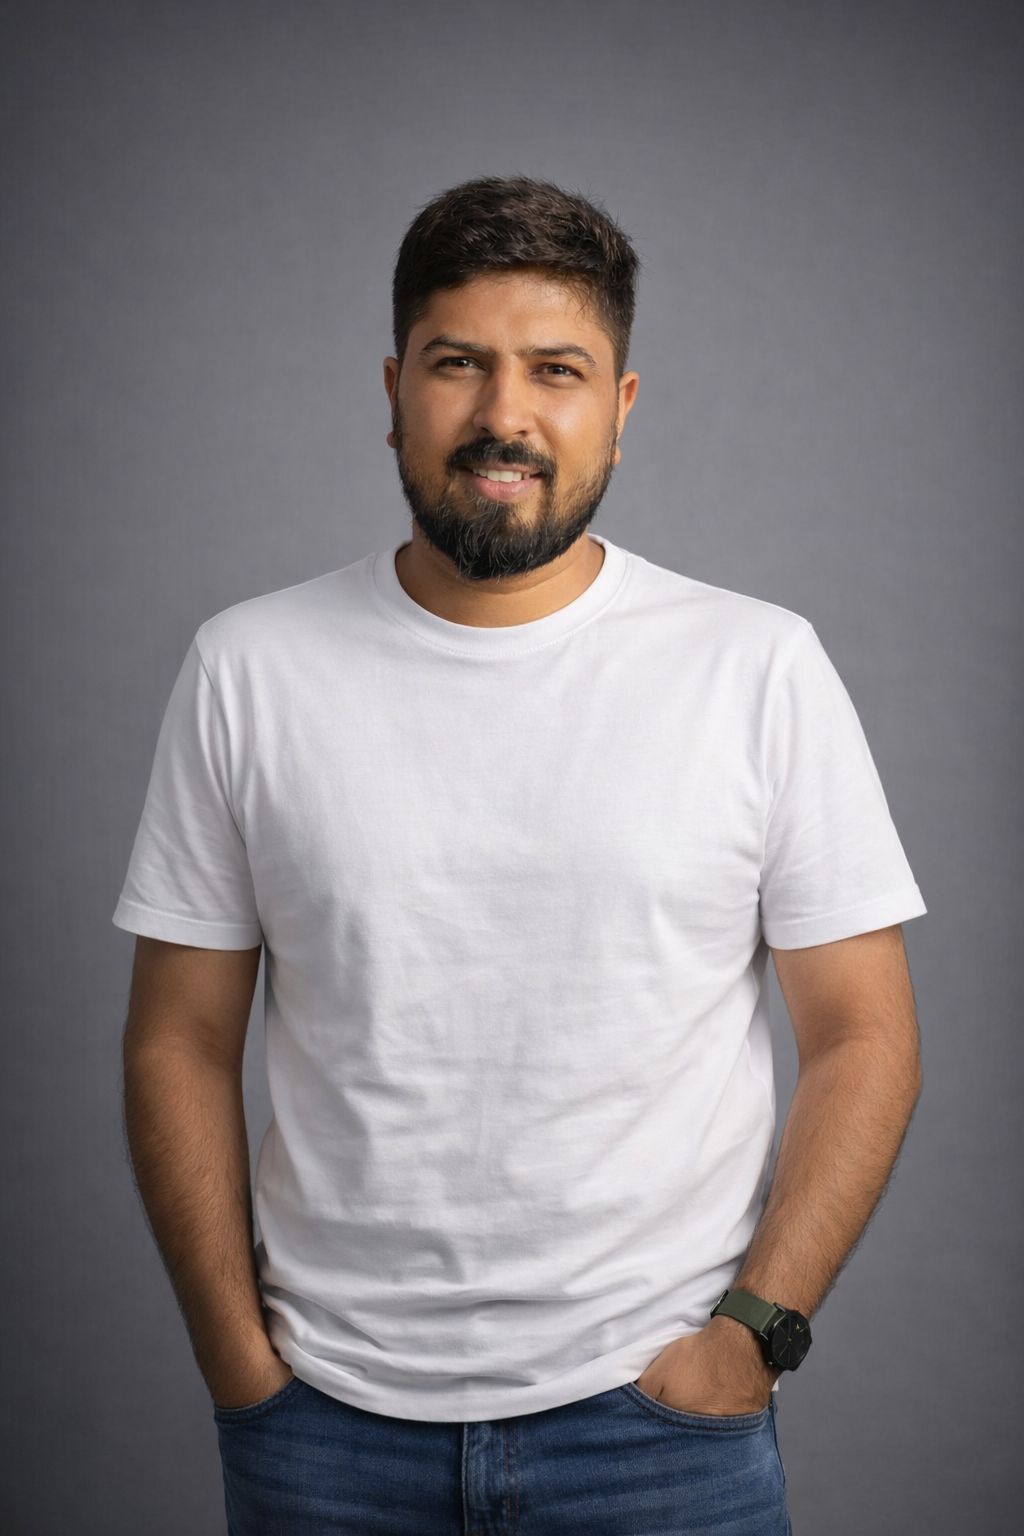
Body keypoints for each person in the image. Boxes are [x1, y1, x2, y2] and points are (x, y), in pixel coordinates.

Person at [118, 177, 925, 1536]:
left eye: (557, 371)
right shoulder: (248, 668)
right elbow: (177, 1043)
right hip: (323, 1433)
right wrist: (241, 1369)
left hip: (661, 1430)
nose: (505, 415)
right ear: (393, 390)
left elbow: (865, 1035)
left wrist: (750, 1339)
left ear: (620, 405)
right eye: (459, 365)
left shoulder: (755, 666)